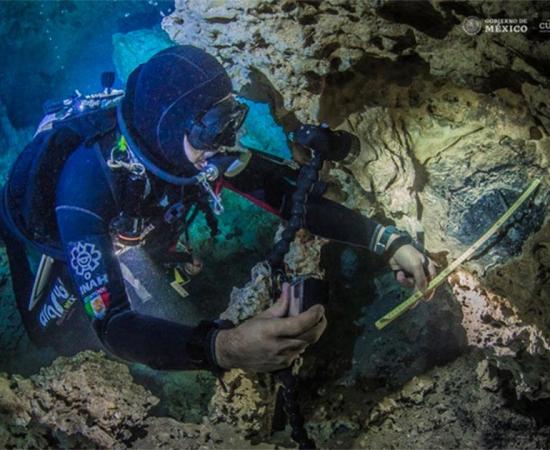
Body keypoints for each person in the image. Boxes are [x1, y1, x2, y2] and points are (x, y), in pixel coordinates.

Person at [0, 45, 436, 375]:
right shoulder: (85, 183)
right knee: (47, 333)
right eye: (211, 125)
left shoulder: (199, 150)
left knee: (163, 290)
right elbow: (113, 325)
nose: (225, 139)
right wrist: (223, 348)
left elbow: (286, 197)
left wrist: (387, 239)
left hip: (138, 221)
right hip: (52, 233)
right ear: (172, 129)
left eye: (230, 117)